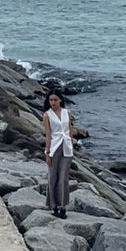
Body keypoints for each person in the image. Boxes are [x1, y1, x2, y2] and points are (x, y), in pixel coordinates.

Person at [42, 90, 74, 218]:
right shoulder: (47, 115)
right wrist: (47, 152)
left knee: (63, 178)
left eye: (55, 100)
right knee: (52, 176)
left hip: (66, 147)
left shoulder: (67, 113)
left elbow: (70, 130)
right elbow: (48, 134)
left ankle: (63, 206)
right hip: (54, 147)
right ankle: (53, 205)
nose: (53, 102)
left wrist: (71, 145)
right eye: (51, 100)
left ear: (60, 100)